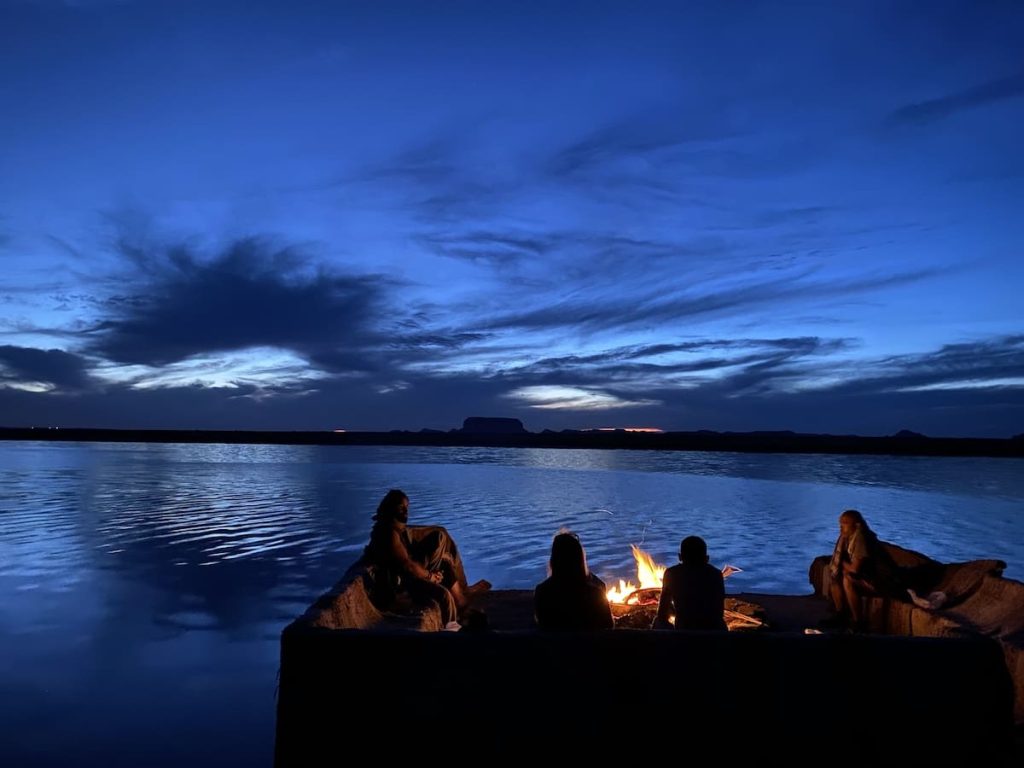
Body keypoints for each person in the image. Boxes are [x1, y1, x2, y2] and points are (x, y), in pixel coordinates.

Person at [360, 489, 490, 624]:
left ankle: (462, 605)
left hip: (406, 577)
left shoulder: (395, 529)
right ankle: (457, 616)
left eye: (407, 507)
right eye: (401, 508)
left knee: (443, 555)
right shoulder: (389, 533)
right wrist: (430, 576)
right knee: (443, 592)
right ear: (389, 509)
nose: (406, 511)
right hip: (403, 585)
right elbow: (407, 566)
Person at [825, 509, 904, 630]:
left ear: (857, 525)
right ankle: (840, 614)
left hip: (884, 582)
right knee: (835, 573)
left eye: (845, 523)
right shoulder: (847, 538)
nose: (841, 528)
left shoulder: (861, 537)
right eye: (840, 524)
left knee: (848, 578)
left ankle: (858, 622)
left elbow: (855, 569)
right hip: (870, 577)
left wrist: (841, 563)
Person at [534, 531, 614, 630]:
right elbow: (609, 626)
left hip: (555, 645)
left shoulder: (542, 592)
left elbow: (541, 625)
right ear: (580, 559)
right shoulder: (595, 594)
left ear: (553, 559)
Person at [653, 535, 727, 631]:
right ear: (707, 558)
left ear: (680, 557)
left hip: (685, 631)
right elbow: (719, 611)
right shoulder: (716, 574)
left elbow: (662, 612)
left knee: (658, 621)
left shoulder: (671, 574)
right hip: (714, 632)